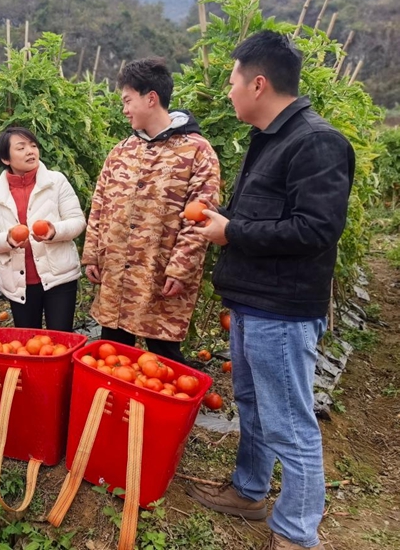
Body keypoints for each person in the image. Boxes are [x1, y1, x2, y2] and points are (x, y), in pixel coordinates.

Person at [188, 31, 354, 550]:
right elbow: (265, 217)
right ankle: (249, 490)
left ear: (258, 84)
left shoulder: (316, 142)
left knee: (289, 423)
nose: (228, 91)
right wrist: (222, 218)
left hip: (281, 310)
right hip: (253, 300)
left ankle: (298, 532)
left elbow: (316, 229)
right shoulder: (270, 139)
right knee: (254, 405)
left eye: (232, 81)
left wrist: (232, 231)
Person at [81, 57, 219, 364]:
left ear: (151, 98)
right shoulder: (122, 151)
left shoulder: (196, 151)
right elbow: (99, 205)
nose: (125, 109)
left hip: (160, 276)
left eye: (127, 100)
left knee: (164, 361)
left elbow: (201, 217)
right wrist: (92, 255)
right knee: (113, 357)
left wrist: (181, 268)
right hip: (116, 275)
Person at [0, 127, 86, 331]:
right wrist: (8, 239)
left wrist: (54, 231)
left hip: (59, 277)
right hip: (18, 282)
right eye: (21, 148)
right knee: (29, 341)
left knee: (61, 337)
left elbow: (77, 221)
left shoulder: (56, 182)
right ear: (5, 158)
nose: (30, 151)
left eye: (33, 146)